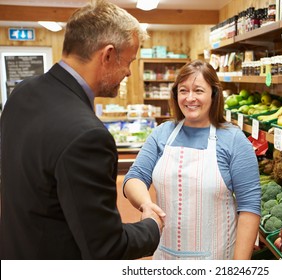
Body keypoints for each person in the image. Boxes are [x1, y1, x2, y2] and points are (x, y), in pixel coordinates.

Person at [0, 0, 164, 260]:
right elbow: (106, 248)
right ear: (108, 55)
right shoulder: (88, 136)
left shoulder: (22, 92)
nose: (129, 73)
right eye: (129, 61)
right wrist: (151, 226)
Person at [123, 59, 261, 260]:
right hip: (165, 255)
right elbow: (134, 177)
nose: (190, 98)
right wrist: (145, 203)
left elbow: (249, 206)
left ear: (213, 94)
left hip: (216, 257)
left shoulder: (233, 139)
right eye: (183, 90)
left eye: (198, 90)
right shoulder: (162, 133)